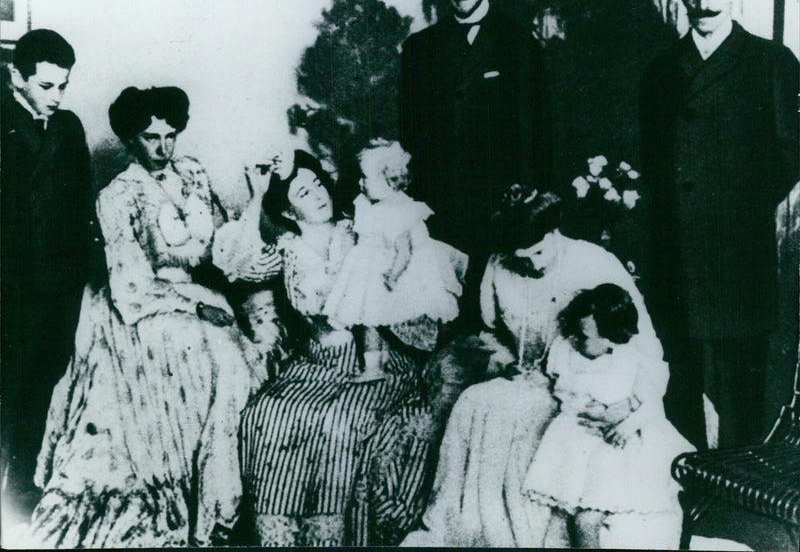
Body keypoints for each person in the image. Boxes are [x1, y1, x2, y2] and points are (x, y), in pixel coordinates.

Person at [22, 86, 274, 548]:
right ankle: (207, 507)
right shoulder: (117, 195)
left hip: (204, 295)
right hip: (147, 307)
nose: (163, 148)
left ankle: (229, 503)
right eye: (150, 138)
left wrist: (256, 201)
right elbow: (129, 284)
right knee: (215, 355)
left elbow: (221, 245)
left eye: (170, 135)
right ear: (130, 140)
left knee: (237, 357)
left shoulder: (194, 175)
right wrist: (194, 306)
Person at [402, 185, 683, 549]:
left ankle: (534, 536)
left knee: (526, 417)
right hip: (531, 376)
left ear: (554, 232)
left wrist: (629, 406)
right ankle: (476, 526)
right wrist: (504, 360)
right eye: (522, 257)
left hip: (589, 386)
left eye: (538, 252)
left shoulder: (594, 262)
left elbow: (641, 346)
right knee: (473, 400)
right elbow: (492, 332)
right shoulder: (499, 265)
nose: (532, 264)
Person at [640, 0, 800, 449]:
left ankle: (741, 485)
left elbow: (791, 151)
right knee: (680, 370)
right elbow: (648, 157)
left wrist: (737, 204)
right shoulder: (661, 70)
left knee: (743, 378)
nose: (703, 0)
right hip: (677, 246)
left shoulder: (770, 62)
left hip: (737, 244)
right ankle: (689, 483)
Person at [239, 151, 431, 546]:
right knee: (267, 412)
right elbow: (240, 268)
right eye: (304, 192)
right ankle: (279, 537)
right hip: (312, 363)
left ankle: (327, 538)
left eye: (320, 185)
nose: (319, 195)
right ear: (289, 212)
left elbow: (408, 268)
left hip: (373, 358)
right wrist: (256, 197)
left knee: (338, 422)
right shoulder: (286, 249)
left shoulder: (360, 229)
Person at [400, 0, 551, 330]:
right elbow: (411, 134)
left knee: (496, 314)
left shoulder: (519, 44)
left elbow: (535, 133)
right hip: (442, 205)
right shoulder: (420, 49)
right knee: (450, 316)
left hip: (498, 207)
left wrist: (522, 199)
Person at [1, 29, 100, 521]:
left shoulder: (68, 128)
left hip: (58, 287)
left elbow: (83, 205)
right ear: (16, 77)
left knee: (41, 386)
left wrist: (86, 273)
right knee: (7, 387)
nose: (57, 97)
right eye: (46, 87)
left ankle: (20, 489)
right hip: (9, 288)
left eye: (63, 85)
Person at [523, 284, 694, 548]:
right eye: (577, 335)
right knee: (565, 519)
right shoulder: (570, 352)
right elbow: (563, 390)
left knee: (587, 520)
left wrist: (627, 422)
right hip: (579, 439)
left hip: (618, 446)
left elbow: (651, 407)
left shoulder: (630, 360)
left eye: (585, 337)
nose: (577, 342)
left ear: (612, 337)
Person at [324, 139, 468, 380]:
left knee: (417, 314)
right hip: (370, 265)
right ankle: (374, 367)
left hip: (401, 270)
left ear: (388, 181)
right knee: (368, 318)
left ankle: (435, 360)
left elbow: (404, 250)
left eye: (366, 178)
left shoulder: (400, 210)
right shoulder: (367, 202)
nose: (361, 183)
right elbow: (365, 228)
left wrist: (393, 275)